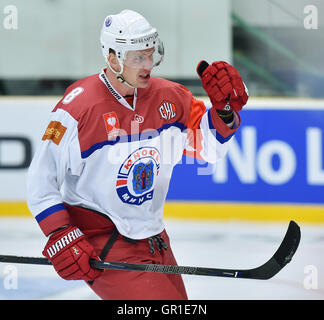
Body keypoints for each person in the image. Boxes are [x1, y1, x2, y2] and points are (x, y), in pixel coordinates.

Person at [26, 9, 248, 300]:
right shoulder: (77, 108)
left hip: (155, 239)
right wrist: (60, 233)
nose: (148, 65)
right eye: (138, 58)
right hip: (103, 241)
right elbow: (41, 181)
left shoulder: (173, 97)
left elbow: (208, 149)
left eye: (150, 54)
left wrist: (224, 112)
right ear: (113, 58)